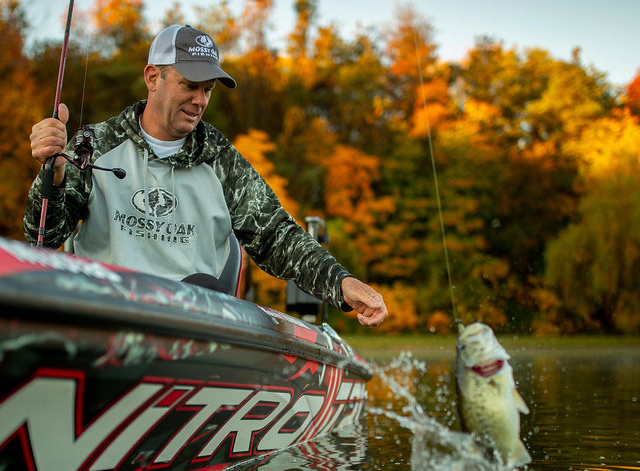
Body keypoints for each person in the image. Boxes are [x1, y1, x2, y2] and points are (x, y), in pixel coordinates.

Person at [24, 24, 387, 327]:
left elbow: (278, 237)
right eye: (189, 85)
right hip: (101, 321)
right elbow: (41, 239)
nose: (200, 100)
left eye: (207, 89)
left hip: (195, 332)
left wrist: (342, 283)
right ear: (153, 77)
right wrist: (53, 175)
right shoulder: (92, 144)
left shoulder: (222, 159)